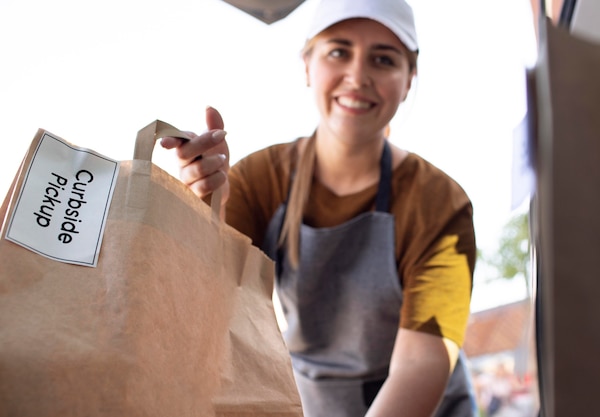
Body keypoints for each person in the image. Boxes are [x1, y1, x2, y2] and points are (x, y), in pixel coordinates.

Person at [161, 0, 477, 415]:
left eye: (383, 59)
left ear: (408, 78)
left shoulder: (439, 203)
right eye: (338, 51)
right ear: (307, 65)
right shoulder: (260, 181)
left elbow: (422, 360)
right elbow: (214, 299)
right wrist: (205, 207)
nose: (358, 76)